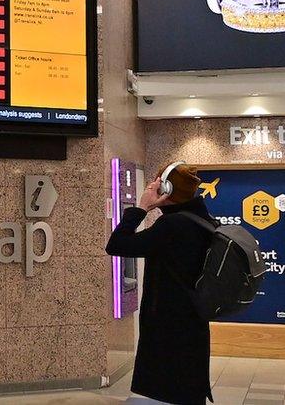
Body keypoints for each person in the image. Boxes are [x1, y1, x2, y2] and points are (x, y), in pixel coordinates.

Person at [106, 162, 214, 404]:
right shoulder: (203, 219)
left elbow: (117, 244)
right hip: (193, 323)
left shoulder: (172, 226)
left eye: (157, 182)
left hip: (169, 327)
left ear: (166, 188)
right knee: (188, 391)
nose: (152, 185)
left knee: (169, 392)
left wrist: (142, 207)